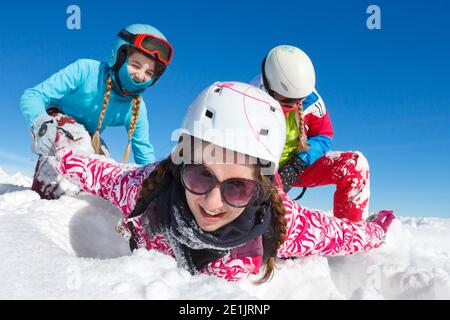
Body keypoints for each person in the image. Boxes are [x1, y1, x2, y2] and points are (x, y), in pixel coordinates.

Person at [42, 81, 394, 283]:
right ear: (179, 164)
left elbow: (344, 234)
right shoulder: (148, 188)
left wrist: (377, 228)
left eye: (237, 187)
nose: (212, 203)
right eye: (201, 175)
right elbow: (98, 173)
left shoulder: (280, 225)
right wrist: (58, 149)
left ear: (262, 191)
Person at [19, 23, 174, 199]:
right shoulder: (86, 70)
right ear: (118, 56)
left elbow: (143, 151)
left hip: (89, 135)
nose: (140, 76)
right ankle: (47, 198)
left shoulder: (136, 106)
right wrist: (40, 122)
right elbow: (33, 95)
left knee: (105, 166)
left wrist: (154, 186)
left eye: (149, 72)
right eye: (136, 65)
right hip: (54, 122)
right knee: (80, 141)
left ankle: (86, 203)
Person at [252, 45, 371, 222]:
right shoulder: (249, 99)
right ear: (271, 88)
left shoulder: (312, 101)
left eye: (297, 101)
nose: (293, 106)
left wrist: (297, 164)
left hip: (297, 166)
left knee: (354, 165)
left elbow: (324, 135)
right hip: (259, 170)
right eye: (286, 101)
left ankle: (352, 235)